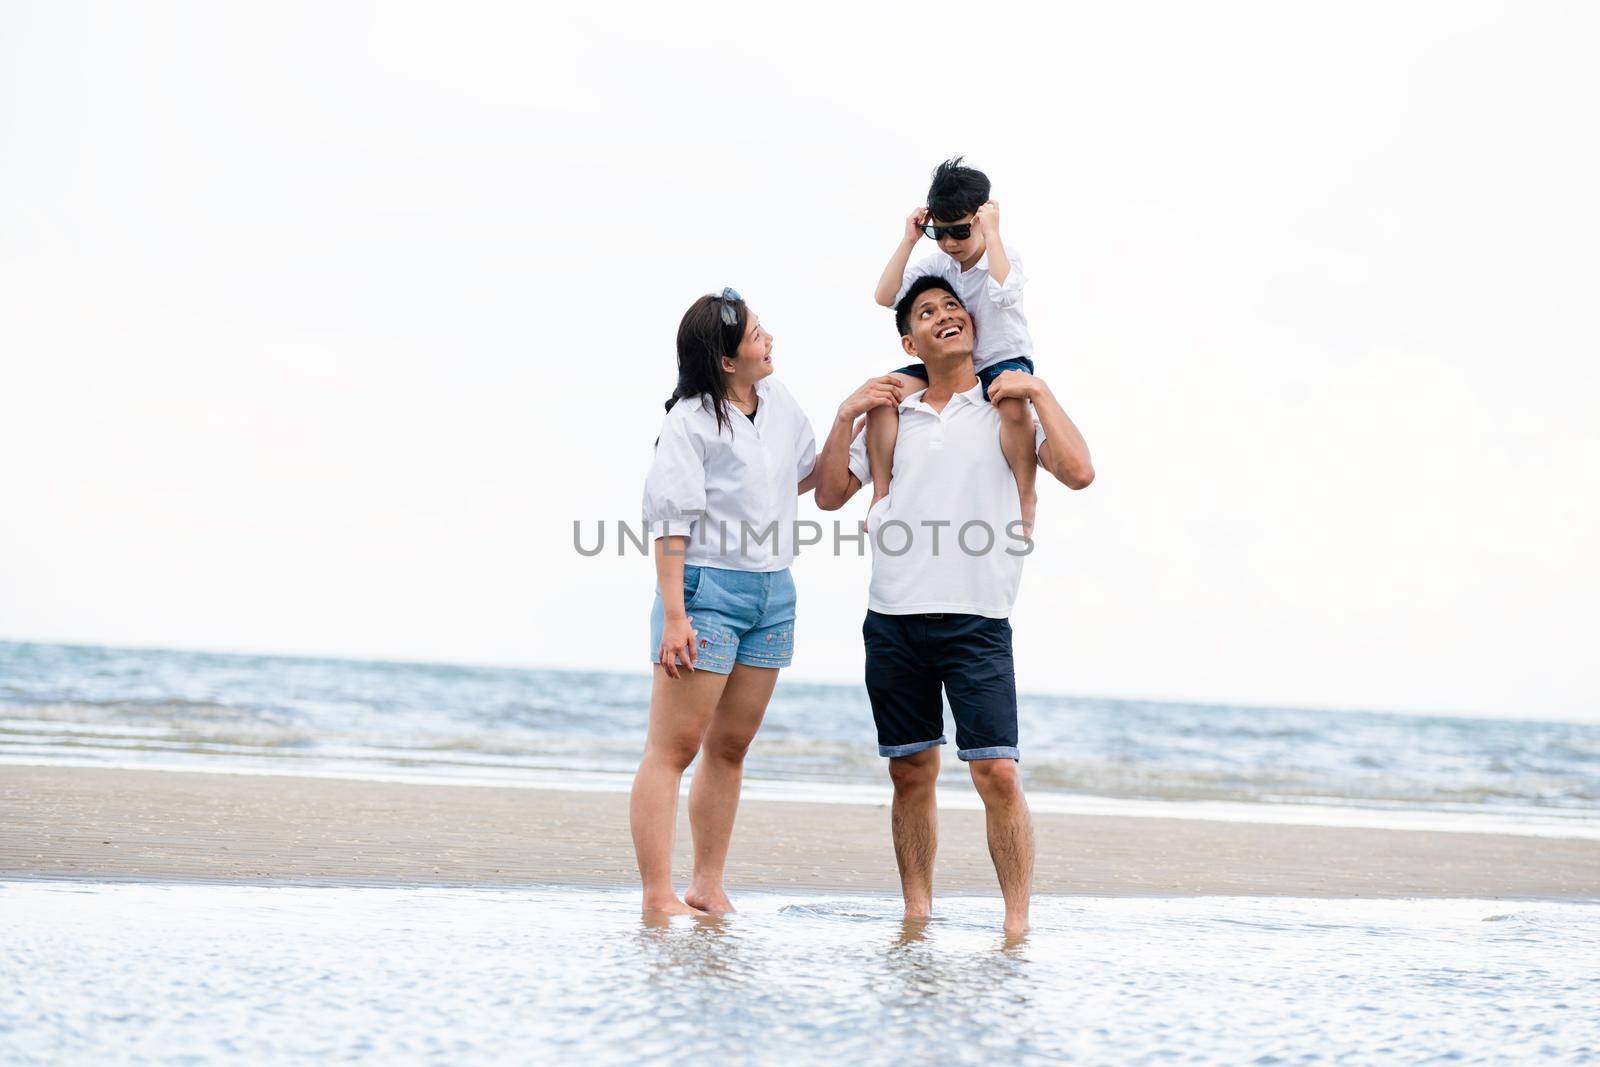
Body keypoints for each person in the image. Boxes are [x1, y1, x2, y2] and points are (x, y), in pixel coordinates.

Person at [814, 276, 1094, 937]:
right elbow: (828, 495)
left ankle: (1017, 923)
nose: (946, 314)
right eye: (927, 311)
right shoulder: (891, 414)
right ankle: (917, 912)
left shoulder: (1008, 410)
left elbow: (1079, 472)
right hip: (894, 618)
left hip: (978, 620)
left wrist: (1041, 390)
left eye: (951, 305)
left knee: (996, 770)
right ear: (910, 340)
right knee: (911, 770)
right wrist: (843, 414)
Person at [633, 288, 818, 917]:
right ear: (725, 360)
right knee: (672, 750)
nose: (769, 340)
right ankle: (658, 895)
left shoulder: (780, 402)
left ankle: (707, 885)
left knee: (731, 747)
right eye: (757, 335)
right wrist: (676, 616)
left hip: (773, 589)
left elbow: (805, 473)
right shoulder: (688, 421)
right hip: (705, 591)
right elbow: (669, 524)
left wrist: (853, 414)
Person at [869, 157, 1040, 532]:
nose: (949, 243)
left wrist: (992, 234)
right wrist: (910, 240)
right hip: (948, 367)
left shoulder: (1004, 256)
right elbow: (885, 296)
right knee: (883, 395)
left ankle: (1025, 498)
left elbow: (1006, 294)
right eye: (939, 233)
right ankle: (881, 495)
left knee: (1012, 406)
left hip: (1001, 361)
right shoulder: (939, 265)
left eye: (960, 231)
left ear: (982, 218)